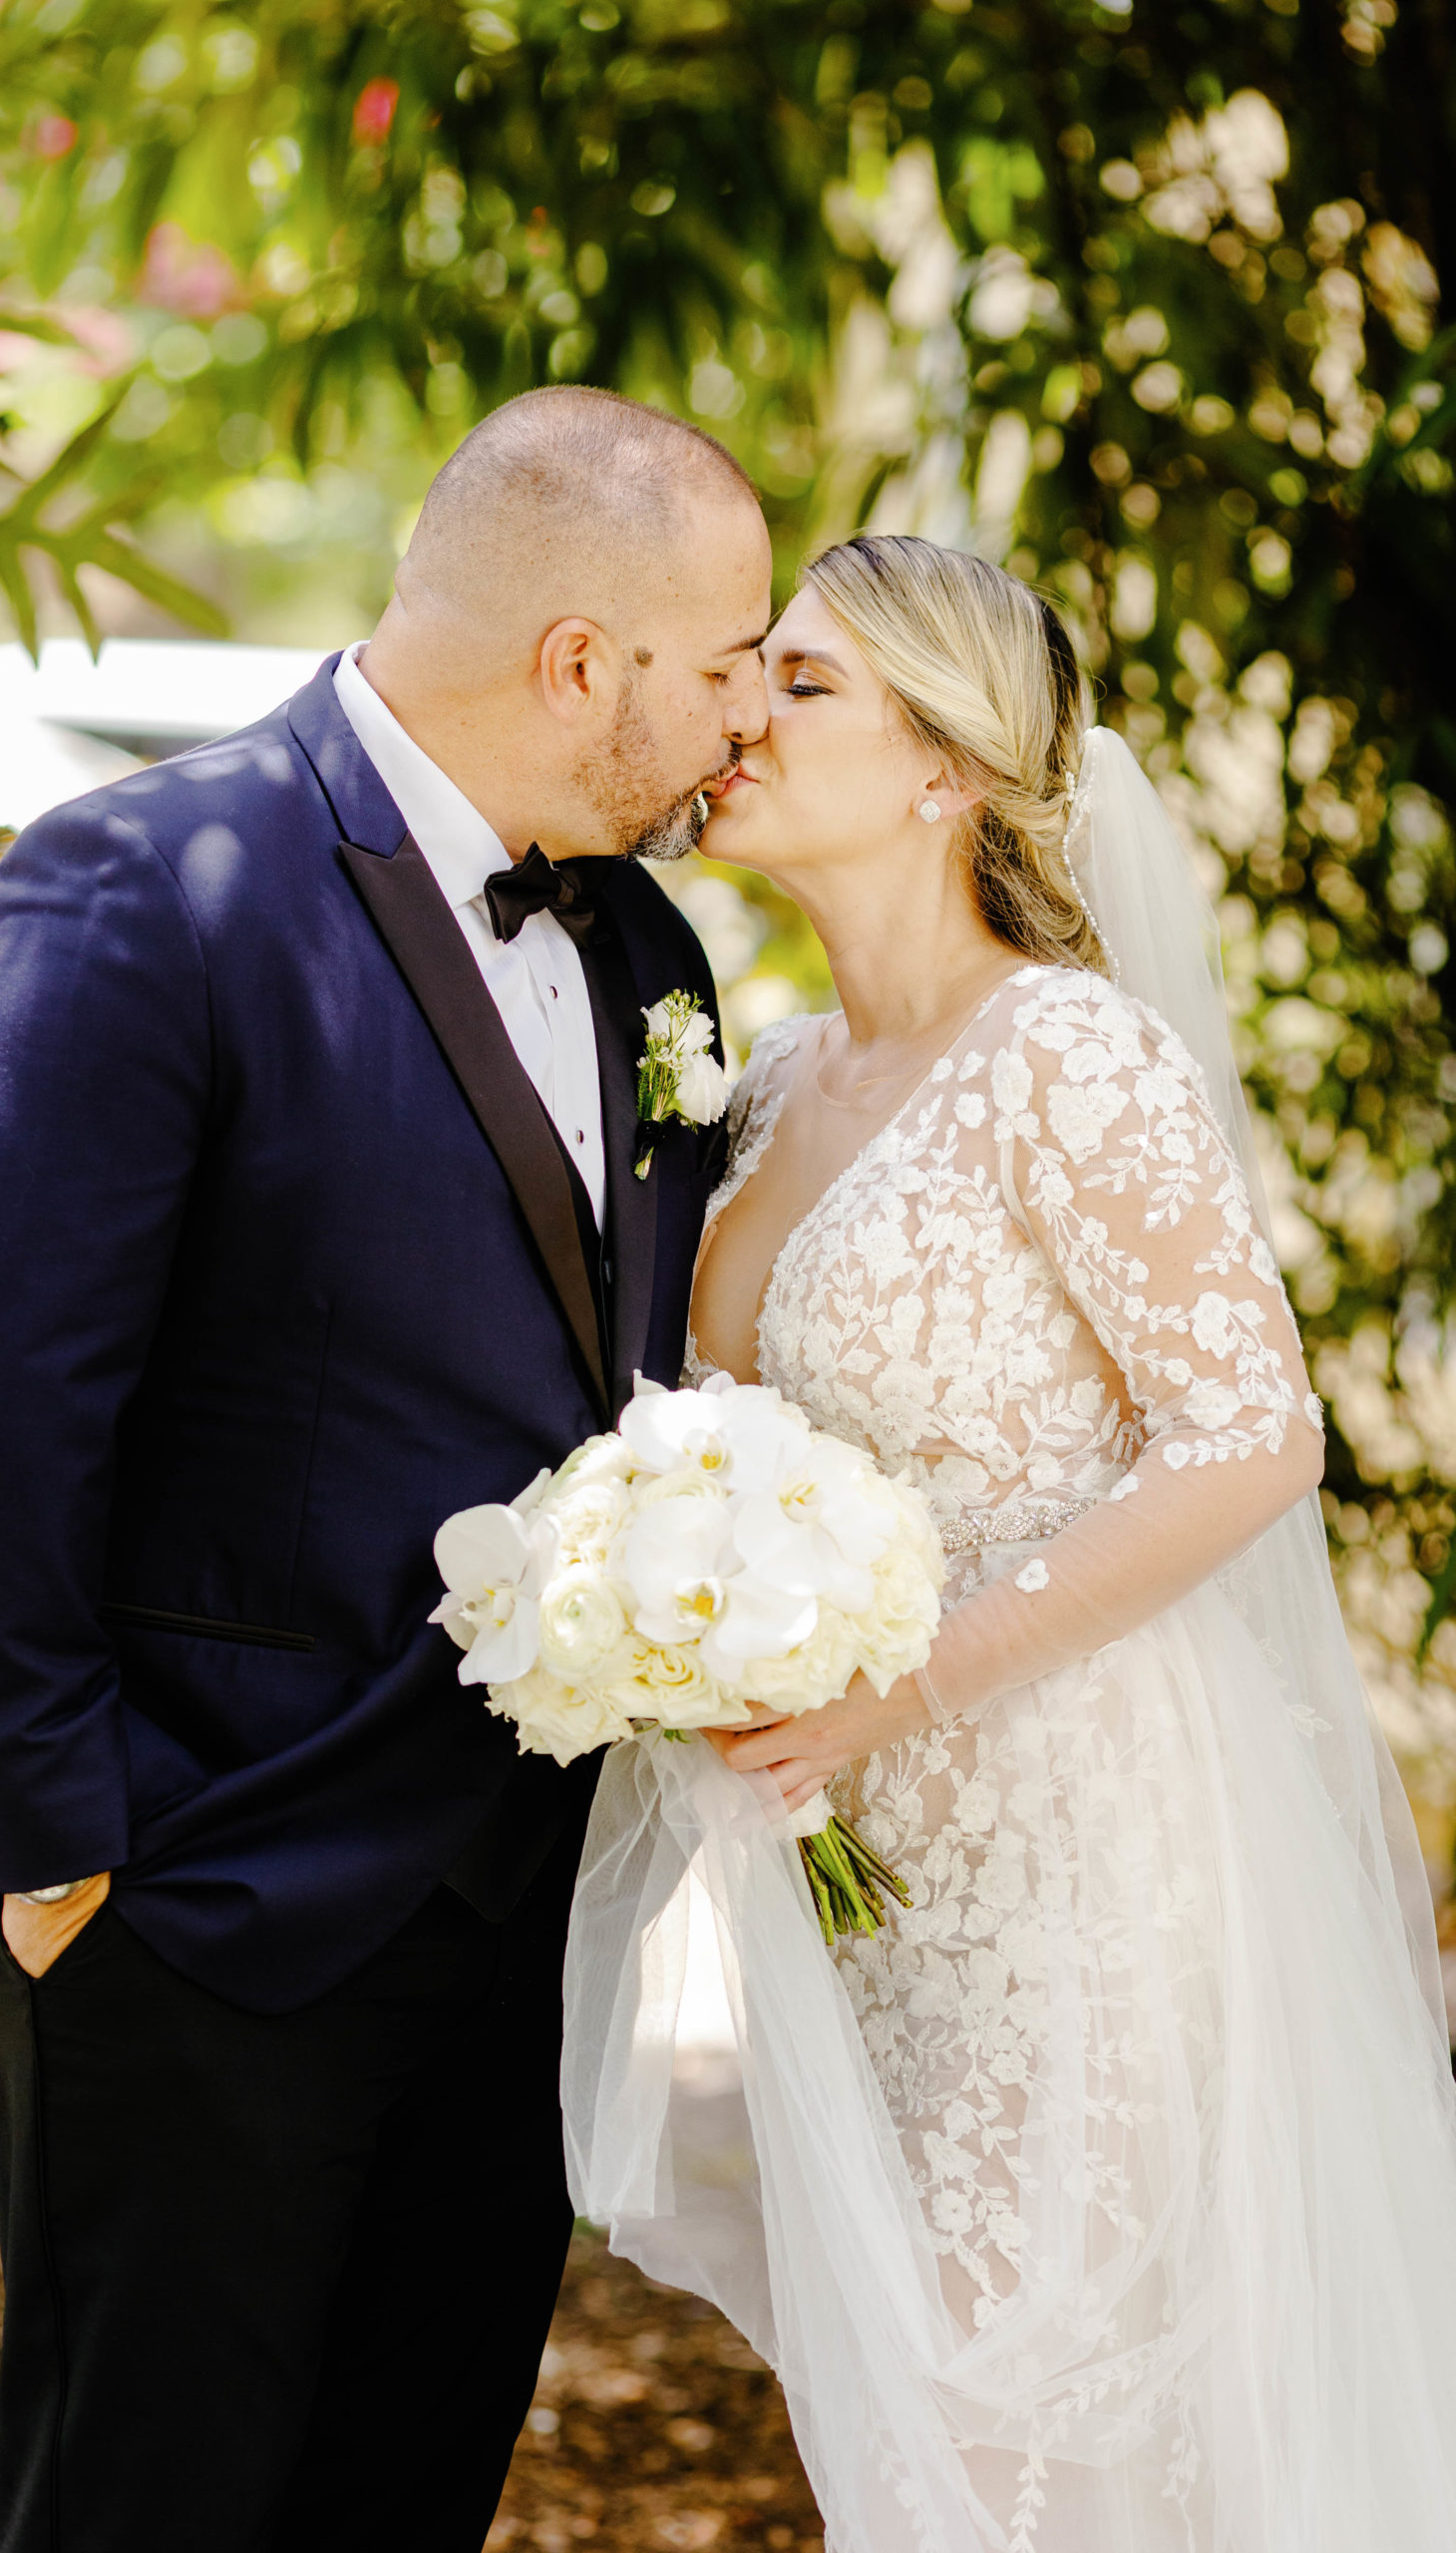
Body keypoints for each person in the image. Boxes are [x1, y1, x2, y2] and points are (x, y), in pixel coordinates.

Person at [0, 385, 772, 2552]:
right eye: (726, 656)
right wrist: (56, 1858)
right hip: (189, 1901)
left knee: (399, 2499)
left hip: (512, 1918)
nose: (746, 711)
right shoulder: (143, 883)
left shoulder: (645, 952)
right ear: (582, 660)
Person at [563, 534, 1456, 2549]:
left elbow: (1249, 1434)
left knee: (1021, 2430)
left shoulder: (1065, 1053)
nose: (736, 719)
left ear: (946, 764)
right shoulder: (773, 1080)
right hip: (868, 1882)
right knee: (907, 2418)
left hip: (1082, 1854)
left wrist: (914, 1669)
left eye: (801, 685)